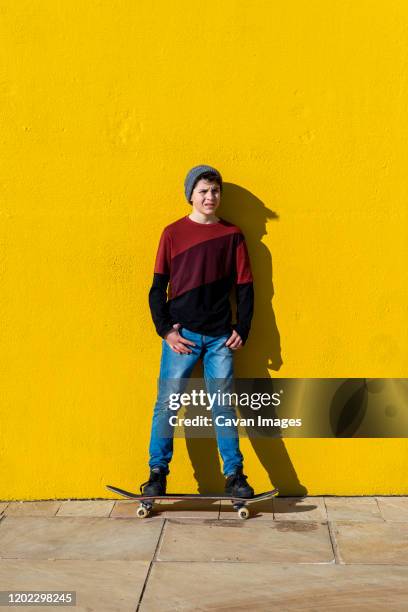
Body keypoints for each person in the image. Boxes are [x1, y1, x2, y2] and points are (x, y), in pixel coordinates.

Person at [142, 164, 255, 498]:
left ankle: (235, 476)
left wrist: (242, 329)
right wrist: (166, 331)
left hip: (221, 337)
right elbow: (156, 289)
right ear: (191, 194)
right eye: (204, 191)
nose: (210, 197)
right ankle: (157, 473)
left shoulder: (232, 235)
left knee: (223, 406)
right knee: (168, 405)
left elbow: (246, 287)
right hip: (183, 338)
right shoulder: (172, 233)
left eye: (215, 191)